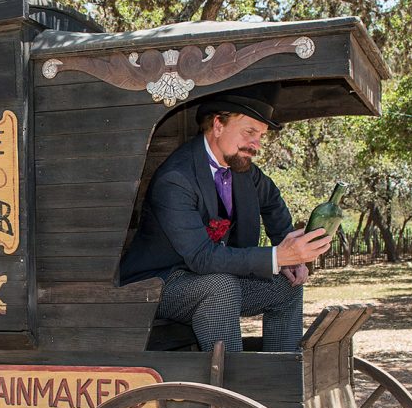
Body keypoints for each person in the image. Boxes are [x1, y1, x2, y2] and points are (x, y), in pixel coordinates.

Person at [118, 83, 332, 352]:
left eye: (261, 136)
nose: (256, 145)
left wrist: (290, 253)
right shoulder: (176, 179)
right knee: (220, 287)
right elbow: (201, 257)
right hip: (158, 285)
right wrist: (278, 256)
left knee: (285, 286)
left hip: (210, 278)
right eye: (249, 132)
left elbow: (272, 202)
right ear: (218, 125)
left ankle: (282, 378)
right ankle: (230, 384)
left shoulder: (242, 170)